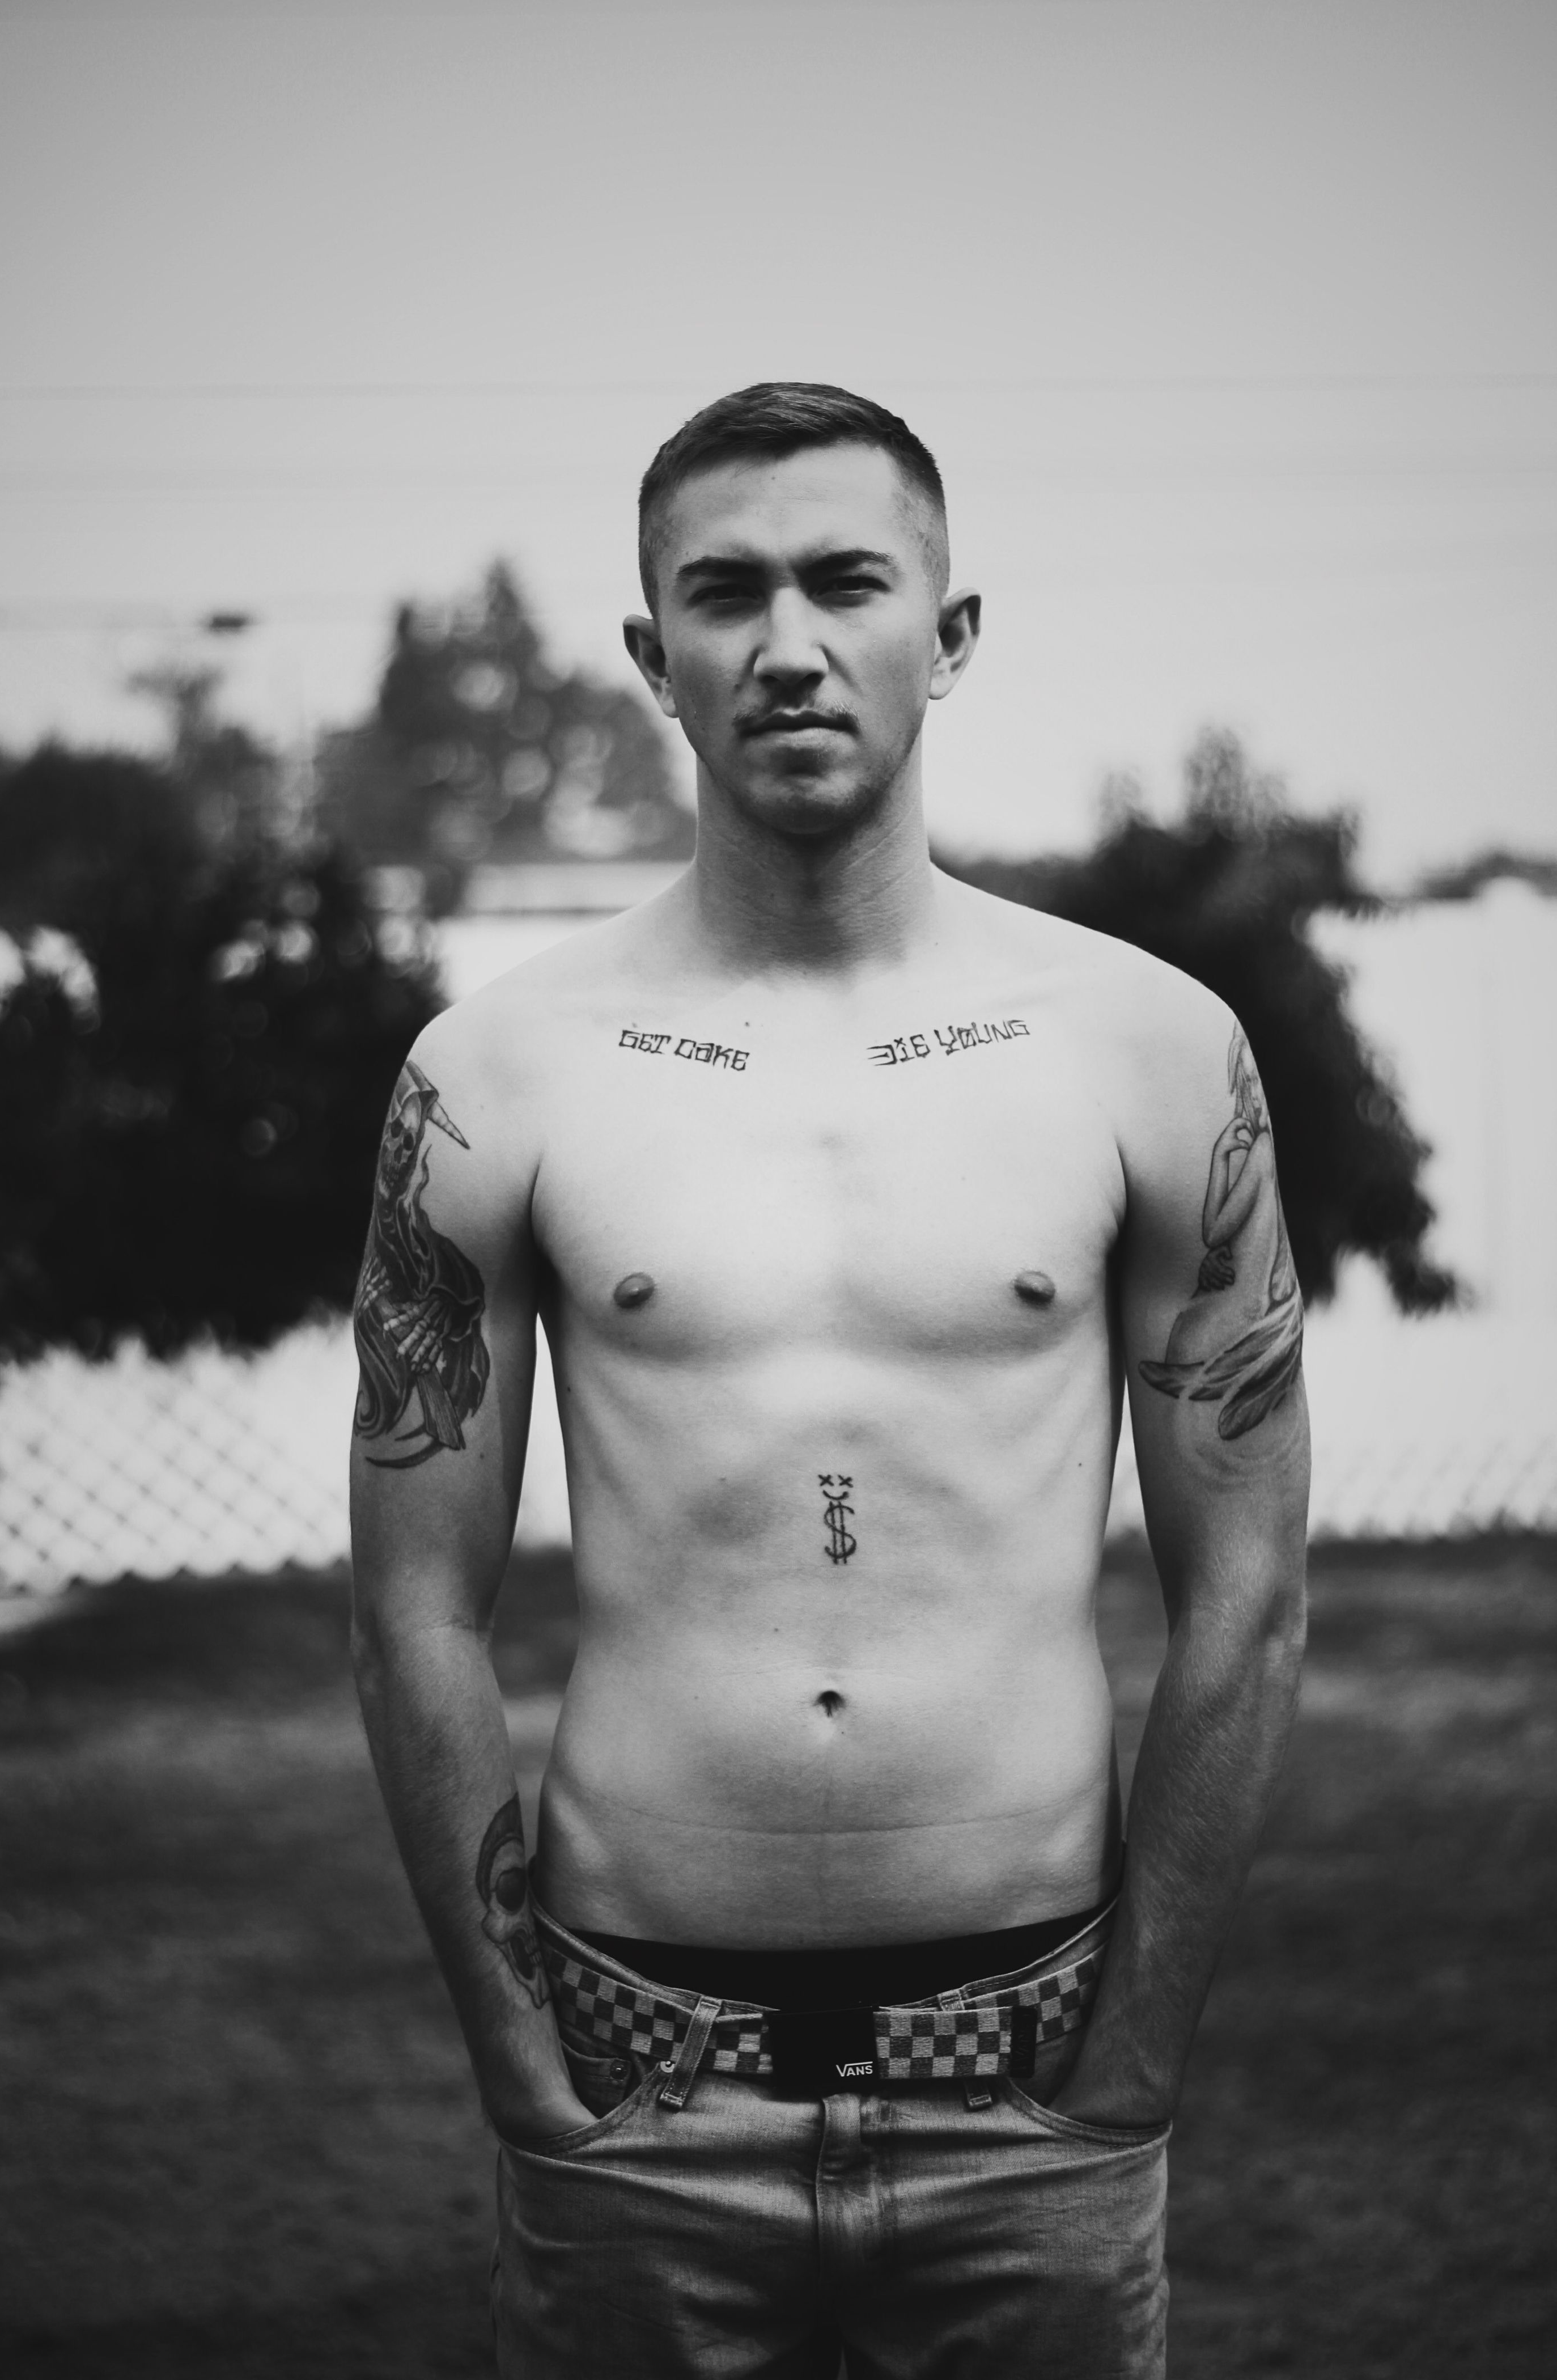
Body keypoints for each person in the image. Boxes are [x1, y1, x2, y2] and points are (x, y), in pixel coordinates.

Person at [349, 382, 1310, 2378]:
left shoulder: (1149, 1050)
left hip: (1035, 2084)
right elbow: (415, 1608)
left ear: (948, 637)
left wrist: (1134, 2060)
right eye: (727, 594)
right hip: (634, 2087)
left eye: (847, 583)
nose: (788, 644)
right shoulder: (500, 1071)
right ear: (655, 659)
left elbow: (1250, 1588)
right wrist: (523, 2069)